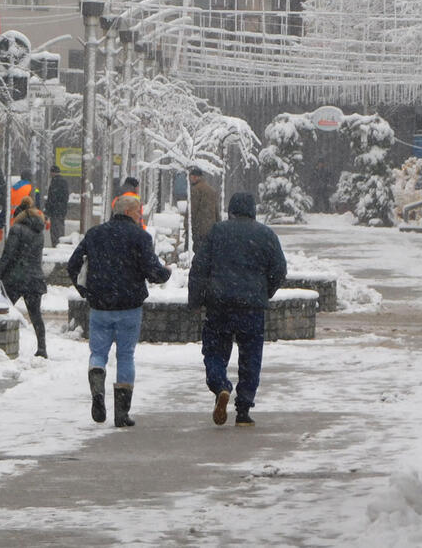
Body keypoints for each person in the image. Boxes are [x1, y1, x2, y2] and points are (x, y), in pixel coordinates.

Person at [67, 194, 171, 427]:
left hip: (100, 306)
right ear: (128, 212)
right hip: (129, 307)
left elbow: (73, 264)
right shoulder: (140, 237)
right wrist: (166, 272)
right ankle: (122, 415)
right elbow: (152, 271)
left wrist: (86, 291)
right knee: (125, 356)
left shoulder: (95, 234)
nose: (140, 217)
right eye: (138, 213)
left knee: (98, 353)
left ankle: (97, 386)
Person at [188, 192, 287, 428]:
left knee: (214, 351)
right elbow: (279, 269)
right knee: (251, 356)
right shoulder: (266, 235)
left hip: (219, 305)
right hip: (251, 308)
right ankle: (243, 409)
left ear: (231, 210)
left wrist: (195, 300)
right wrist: (264, 291)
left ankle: (220, 384)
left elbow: (199, 268)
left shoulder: (217, 232)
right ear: (253, 210)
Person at [0, 196, 48, 358]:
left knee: (3, 311)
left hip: (16, 279)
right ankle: (42, 348)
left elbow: (9, 255)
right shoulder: (39, 232)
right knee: (36, 315)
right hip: (35, 279)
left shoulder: (16, 230)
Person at [187, 166, 220, 247]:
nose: (190, 179)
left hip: (200, 229)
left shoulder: (195, 190)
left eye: (190, 177)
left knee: (199, 254)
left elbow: (192, 210)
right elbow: (217, 212)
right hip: (212, 229)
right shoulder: (211, 190)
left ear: (195, 177)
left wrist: (187, 226)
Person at [44, 165, 70, 247]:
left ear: (52, 172)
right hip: (62, 211)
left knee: (55, 231)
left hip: (55, 211)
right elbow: (66, 197)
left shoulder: (54, 182)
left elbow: (51, 198)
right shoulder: (64, 182)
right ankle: (61, 245)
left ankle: (56, 246)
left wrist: (47, 211)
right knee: (61, 229)